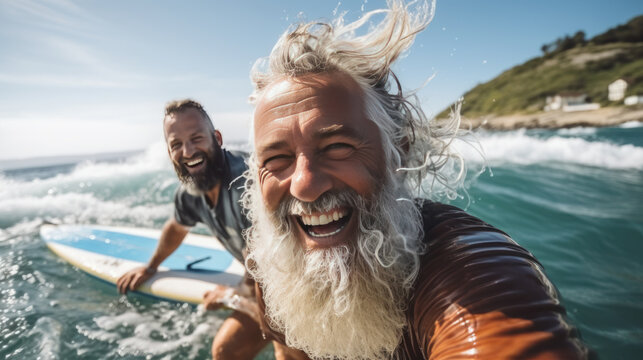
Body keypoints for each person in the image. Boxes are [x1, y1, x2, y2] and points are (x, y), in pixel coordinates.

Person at [241, 1, 587, 359]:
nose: (304, 185)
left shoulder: (470, 274)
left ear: (398, 153)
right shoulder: (277, 258)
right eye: (277, 159)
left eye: (337, 147)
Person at [116, 99, 269, 359]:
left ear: (216, 138)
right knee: (227, 351)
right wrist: (151, 266)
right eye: (176, 144)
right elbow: (176, 228)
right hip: (265, 282)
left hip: (296, 283)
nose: (187, 151)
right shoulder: (190, 192)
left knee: (262, 347)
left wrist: (235, 294)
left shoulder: (247, 181)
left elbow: (264, 253)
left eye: (196, 138)